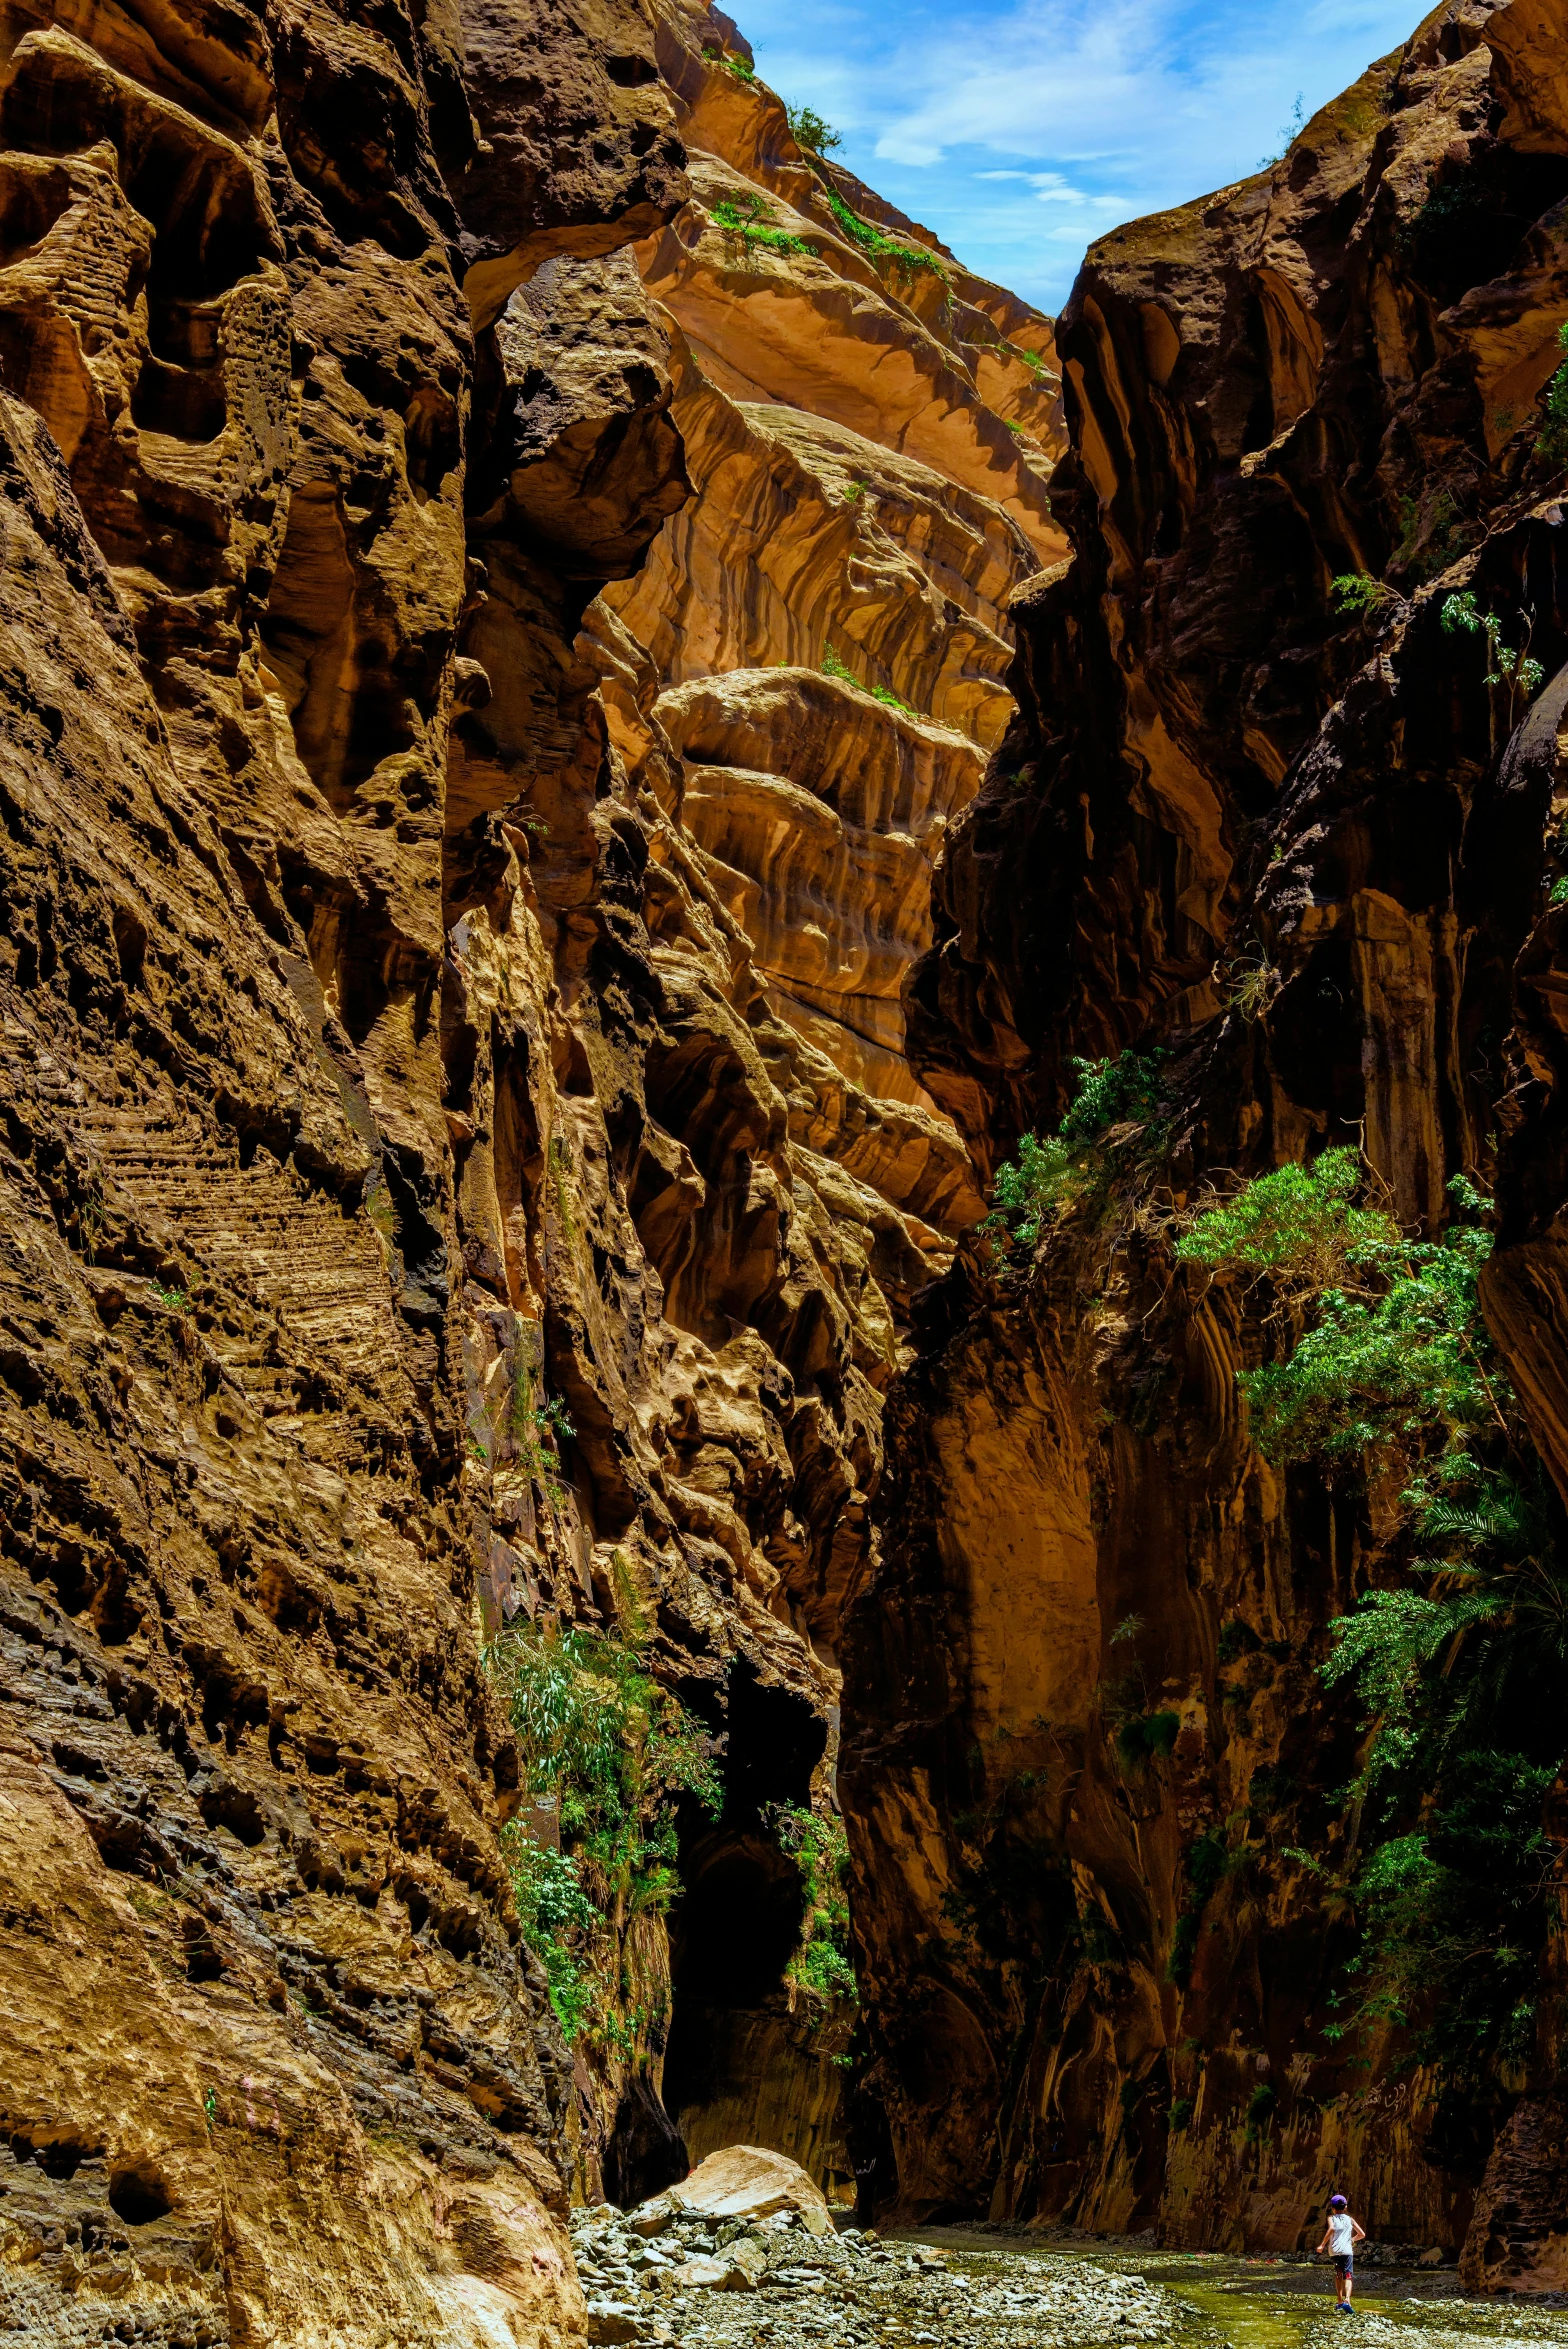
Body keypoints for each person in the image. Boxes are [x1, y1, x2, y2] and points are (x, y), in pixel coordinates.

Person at [1316, 2193, 1366, 2312]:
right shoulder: (1350, 2219)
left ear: (1333, 2208)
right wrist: (1352, 2239)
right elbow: (1362, 2234)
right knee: (1348, 2275)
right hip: (1347, 2250)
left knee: (1338, 2274)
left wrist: (1322, 2244)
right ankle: (1347, 2300)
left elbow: (1332, 2228)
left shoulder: (1331, 2218)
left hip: (1334, 2250)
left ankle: (1339, 2301)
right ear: (1345, 2207)